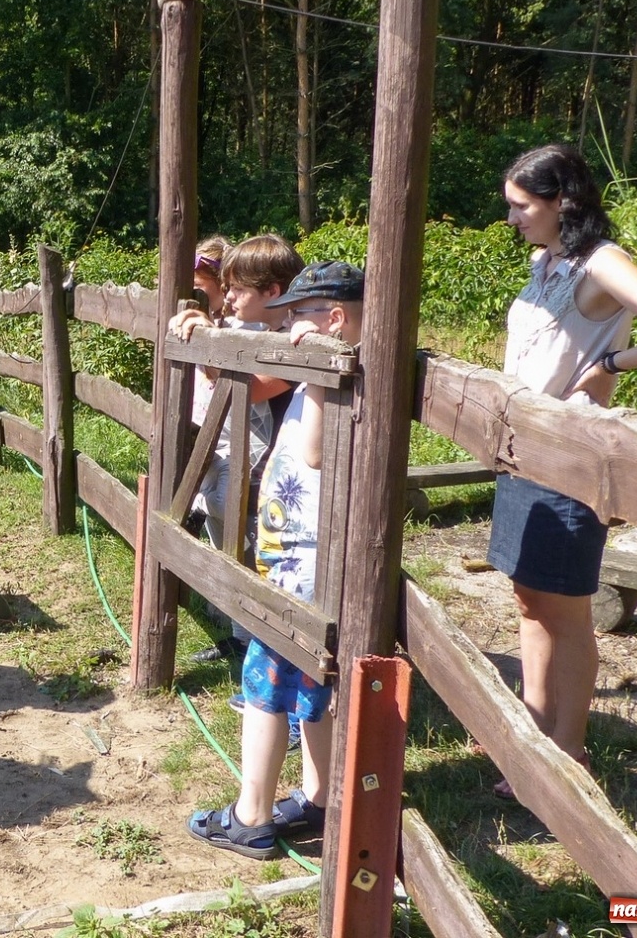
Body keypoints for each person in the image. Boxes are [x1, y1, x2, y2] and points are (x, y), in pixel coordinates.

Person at [488, 144, 637, 796]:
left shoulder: (602, 264)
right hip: (520, 446)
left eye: (522, 206)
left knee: (567, 607)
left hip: (568, 457)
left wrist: (613, 366)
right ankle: (530, 731)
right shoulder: (545, 259)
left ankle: (568, 747)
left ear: (565, 202)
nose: (513, 218)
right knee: (528, 596)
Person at [187, 260, 363, 859]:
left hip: (302, 562)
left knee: (264, 681)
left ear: (333, 320)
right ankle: (318, 795)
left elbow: (314, 452)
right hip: (309, 555)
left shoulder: (332, 371)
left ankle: (251, 815)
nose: (289, 330)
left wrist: (315, 368)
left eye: (299, 318)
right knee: (314, 678)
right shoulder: (342, 362)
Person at [168, 234, 304, 663]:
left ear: (273, 291)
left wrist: (212, 342)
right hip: (255, 458)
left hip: (282, 472)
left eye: (237, 289)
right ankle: (243, 633)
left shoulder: (298, 340)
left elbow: (252, 388)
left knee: (257, 546)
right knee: (225, 524)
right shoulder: (262, 330)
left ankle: (267, 638)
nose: (227, 297)